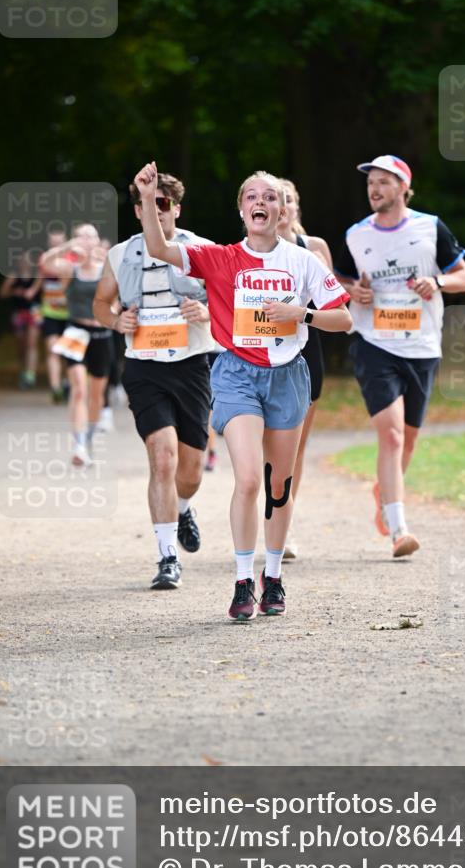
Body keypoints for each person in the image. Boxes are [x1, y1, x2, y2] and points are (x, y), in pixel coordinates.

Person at [133, 161, 352, 620]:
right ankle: (242, 581)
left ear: (282, 211)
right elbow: (158, 247)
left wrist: (301, 314)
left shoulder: (302, 261)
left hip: (288, 375)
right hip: (236, 374)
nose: (261, 202)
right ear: (241, 209)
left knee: (279, 484)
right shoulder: (220, 258)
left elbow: (344, 319)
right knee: (249, 478)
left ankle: (273, 576)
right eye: (252, 196)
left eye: (270, 197)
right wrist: (150, 200)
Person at [335, 154, 465, 557]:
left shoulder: (430, 227)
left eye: (383, 182)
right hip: (374, 343)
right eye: (370, 183)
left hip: (423, 345)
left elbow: (464, 277)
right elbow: (339, 279)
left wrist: (437, 281)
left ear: (403, 187)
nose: (374, 189)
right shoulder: (357, 235)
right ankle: (399, 530)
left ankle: (385, 493)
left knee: (408, 440)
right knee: (391, 434)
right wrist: (352, 292)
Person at [93, 173, 215, 591]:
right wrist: (116, 321)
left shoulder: (201, 249)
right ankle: (167, 558)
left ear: (177, 208)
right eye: (149, 203)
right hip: (144, 366)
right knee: (162, 459)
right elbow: (101, 303)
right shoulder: (121, 254)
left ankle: (183, 507)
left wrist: (207, 313)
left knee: (191, 471)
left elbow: (229, 301)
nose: (157, 210)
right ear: (137, 210)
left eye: (164, 203)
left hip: (192, 364)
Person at [277, 178, 334, 560]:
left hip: (305, 353)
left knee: (294, 448)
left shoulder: (313, 248)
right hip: (260, 354)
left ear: (296, 207)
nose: (281, 206)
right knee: (267, 448)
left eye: (287, 200)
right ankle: (269, 515)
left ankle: (284, 526)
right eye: (273, 199)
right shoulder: (247, 251)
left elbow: (333, 305)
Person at [40, 224, 112, 467]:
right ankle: (78, 445)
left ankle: (87, 441)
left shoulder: (107, 268)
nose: (86, 240)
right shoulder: (70, 268)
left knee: (96, 395)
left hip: (101, 335)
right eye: (81, 236)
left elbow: (120, 297)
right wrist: (67, 247)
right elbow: (45, 262)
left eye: (91, 236)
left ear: (97, 240)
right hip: (76, 332)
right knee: (79, 388)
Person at [0, 254, 43, 389]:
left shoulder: (37, 276)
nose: (25, 262)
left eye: (28, 260)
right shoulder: (14, 276)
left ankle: (30, 374)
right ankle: (23, 369)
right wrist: (14, 291)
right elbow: (2, 293)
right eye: (22, 260)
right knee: (21, 344)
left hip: (34, 312)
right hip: (19, 313)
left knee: (32, 343)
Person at [39, 225, 71, 403]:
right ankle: (55, 388)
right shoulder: (45, 260)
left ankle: (67, 383)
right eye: (53, 243)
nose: (57, 246)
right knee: (53, 350)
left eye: (60, 243)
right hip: (50, 312)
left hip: (70, 314)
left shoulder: (74, 260)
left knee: (68, 353)